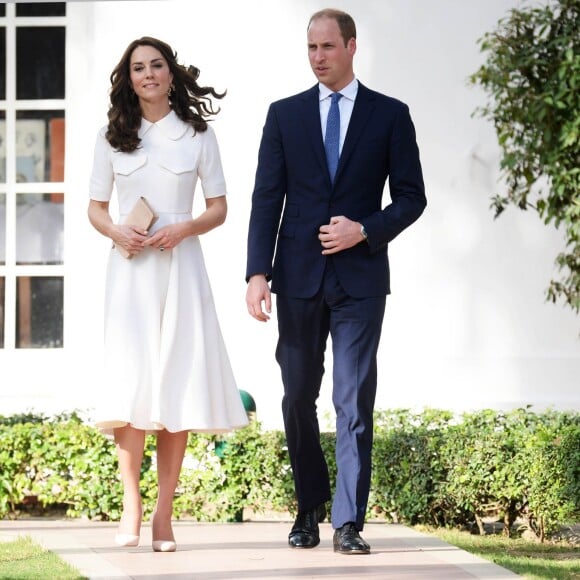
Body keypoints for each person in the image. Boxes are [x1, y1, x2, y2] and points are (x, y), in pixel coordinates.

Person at [245, 9, 426, 555]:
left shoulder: (390, 115)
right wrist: (257, 273)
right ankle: (309, 507)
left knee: (353, 400)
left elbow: (412, 197)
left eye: (327, 46)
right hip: (296, 278)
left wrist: (364, 229)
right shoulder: (285, 115)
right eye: (310, 48)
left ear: (351, 46)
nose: (318, 56)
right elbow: (265, 198)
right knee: (297, 397)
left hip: (360, 281)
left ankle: (348, 521)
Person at [88, 36, 248, 552]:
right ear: (128, 78)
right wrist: (116, 232)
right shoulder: (112, 136)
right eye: (138, 68)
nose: (149, 74)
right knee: (133, 386)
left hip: (182, 269)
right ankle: (131, 502)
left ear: (171, 73)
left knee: (174, 385)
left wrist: (184, 230)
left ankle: (164, 513)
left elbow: (219, 207)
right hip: (131, 274)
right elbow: (95, 208)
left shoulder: (198, 134)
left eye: (157, 65)